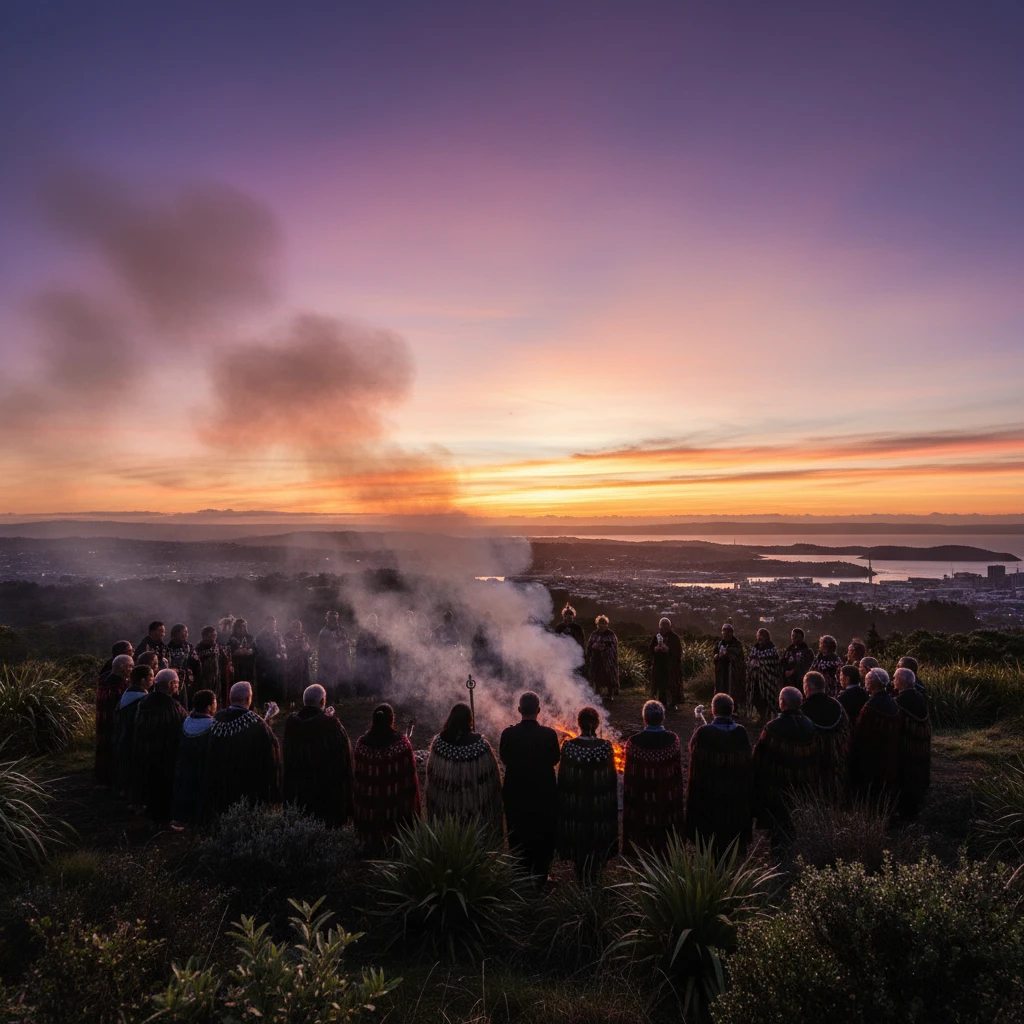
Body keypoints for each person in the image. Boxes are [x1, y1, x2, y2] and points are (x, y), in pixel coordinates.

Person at [499, 692, 561, 881]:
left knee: (518, 829)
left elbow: (504, 758)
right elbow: (555, 759)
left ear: (519, 710)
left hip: (516, 791)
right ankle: (541, 872)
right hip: (543, 792)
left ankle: (520, 870)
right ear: (539, 710)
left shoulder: (508, 734)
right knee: (542, 829)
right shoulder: (549, 734)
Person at [685, 693, 753, 856]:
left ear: (713, 710)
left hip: (709, 798)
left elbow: (690, 748)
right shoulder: (741, 733)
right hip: (734, 798)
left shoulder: (703, 733)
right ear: (732, 710)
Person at [556, 706, 618, 881]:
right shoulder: (605, 747)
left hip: (577, 810)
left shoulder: (569, 747)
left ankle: (581, 867)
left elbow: (564, 780)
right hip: (599, 810)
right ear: (597, 724)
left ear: (579, 724)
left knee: (581, 843)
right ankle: (596, 869)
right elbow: (611, 779)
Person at [203, 681, 281, 820]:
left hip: (220, 788)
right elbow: (271, 754)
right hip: (247, 789)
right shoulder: (256, 722)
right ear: (248, 699)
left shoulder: (217, 719)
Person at [425, 702, 503, 835]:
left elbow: (432, 776)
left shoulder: (439, 744)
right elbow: (492, 782)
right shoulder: (480, 747)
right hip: (473, 812)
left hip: (446, 810)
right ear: (469, 720)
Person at [352, 704, 421, 852]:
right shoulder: (402, 745)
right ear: (391, 720)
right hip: (395, 814)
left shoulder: (361, 744)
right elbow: (410, 780)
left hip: (369, 813)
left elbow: (358, 777)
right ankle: (394, 845)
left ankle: (370, 845)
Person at [283, 683, 353, 827]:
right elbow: (345, 761)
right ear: (322, 701)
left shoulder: (291, 727)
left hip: (298, 797)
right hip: (326, 801)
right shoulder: (332, 726)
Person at [622, 700, 684, 856]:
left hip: (642, 802)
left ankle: (642, 849)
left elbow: (630, 776)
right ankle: (666, 849)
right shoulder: (673, 741)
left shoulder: (633, 743)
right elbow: (676, 773)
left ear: (644, 718)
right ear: (662, 718)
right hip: (666, 802)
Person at [751, 686, 818, 831]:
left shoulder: (773, 728)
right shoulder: (809, 725)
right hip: (802, 785)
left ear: (782, 703)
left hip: (777, 787)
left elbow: (759, 757)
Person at [133, 668, 187, 822]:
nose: (178, 686)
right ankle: (163, 822)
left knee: (150, 786)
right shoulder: (172, 706)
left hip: (144, 752)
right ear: (170, 684)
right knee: (163, 788)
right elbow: (182, 726)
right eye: (176, 683)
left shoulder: (144, 702)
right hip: (164, 754)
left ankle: (153, 818)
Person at [848, 667, 901, 803]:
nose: (864, 683)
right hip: (889, 752)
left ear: (871, 683)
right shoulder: (892, 702)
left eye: (866, 680)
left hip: (872, 754)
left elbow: (861, 733)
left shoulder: (871, 706)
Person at [171, 688, 217, 829]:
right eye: (215, 703)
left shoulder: (187, 721)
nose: (217, 706)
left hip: (185, 768)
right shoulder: (212, 725)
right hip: (203, 770)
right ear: (209, 707)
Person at [801, 670, 851, 789]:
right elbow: (846, 733)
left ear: (808, 687)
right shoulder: (837, 706)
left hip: (813, 768)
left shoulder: (802, 711)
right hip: (836, 767)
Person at [894, 667, 931, 817]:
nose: (892, 681)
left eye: (895, 678)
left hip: (907, 746)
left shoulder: (900, 702)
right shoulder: (918, 696)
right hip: (920, 746)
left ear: (901, 682)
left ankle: (905, 810)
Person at [115, 664, 154, 801]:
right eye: (151, 677)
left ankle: (125, 791)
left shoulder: (128, 694)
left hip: (123, 737)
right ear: (143, 680)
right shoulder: (141, 700)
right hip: (133, 740)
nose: (153, 681)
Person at [96, 653, 133, 786]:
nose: (132, 669)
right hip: (115, 722)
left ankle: (102, 777)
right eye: (131, 666)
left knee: (103, 748)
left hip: (102, 720)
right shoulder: (121, 686)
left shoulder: (103, 682)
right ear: (124, 668)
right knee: (114, 750)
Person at [747, 628, 782, 725]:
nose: (760, 638)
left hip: (768, 679)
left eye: (763, 636)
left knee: (767, 697)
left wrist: (760, 662)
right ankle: (762, 715)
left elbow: (773, 661)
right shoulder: (755, 647)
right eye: (759, 636)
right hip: (756, 679)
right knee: (755, 697)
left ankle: (768, 716)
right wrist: (752, 662)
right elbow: (750, 658)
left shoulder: (771, 648)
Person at [649, 617, 683, 709]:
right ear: (659, 626)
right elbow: (651, 649)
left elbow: (678, 651)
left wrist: (668, 650)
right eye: (662, 624)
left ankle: (673, 703)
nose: (664, 626)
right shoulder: (656, 637)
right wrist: (655, 649)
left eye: (666, 624)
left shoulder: (674, 637)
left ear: (669, 626)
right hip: (659, 665)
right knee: (661, 685)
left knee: (672, 685)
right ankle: (662, 702)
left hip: (671, 666)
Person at [354, 614, 391, 697]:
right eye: (371, 621)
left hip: (377, 661)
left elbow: (385, 646)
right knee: (367, 678)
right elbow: (359, 647)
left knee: (378, 679)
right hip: (366, 661)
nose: (373, 623)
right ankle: (366, 694)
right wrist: (367, 649)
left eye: (374, 621)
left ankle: (378, 693)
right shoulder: (363, 633)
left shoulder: (380, 632)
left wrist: (378, 650)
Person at [195, 625, 232, 707]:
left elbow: (225, 659)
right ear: (204, 636)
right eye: (211, 636)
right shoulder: (199, 648)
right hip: (204, 678)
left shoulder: (217, 647)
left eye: (215, 636)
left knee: (217, 697)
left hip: (216, 677)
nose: (214, 638)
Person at [254, 615, 287, 704]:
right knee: (266, 684)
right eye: (270, 624)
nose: (273, 626)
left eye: (274, 624)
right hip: (265, 665)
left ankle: (278, 702)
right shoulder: (260, 636)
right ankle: (265, 704)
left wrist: (283, 653)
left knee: (277, 682)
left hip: (278, 664)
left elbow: (283, 645)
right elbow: (262, 651)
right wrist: (275, 656)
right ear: (266, 624)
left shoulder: (278, 634)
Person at [165, 624, 200, 708]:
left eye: (186, 632)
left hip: (188, 682)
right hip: (174, 682)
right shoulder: (167, 648)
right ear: (175, 634)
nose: (185, 634)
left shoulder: (189, 647)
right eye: (183, 632)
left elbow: (196, 664)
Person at [316, 611, 349, 700]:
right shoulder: (324, 632)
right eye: (330, 618)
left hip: (341, 659)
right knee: (329, 680)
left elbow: (346, 643)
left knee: (340, 678)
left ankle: (339, 697)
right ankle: (330, 698)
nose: (333, 620)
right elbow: (326, 648)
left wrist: (344, 654)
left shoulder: (342, 630)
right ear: (327, 619)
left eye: (335, 618)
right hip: (329, 660)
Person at [586, 616, 619, 702]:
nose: (601, 625)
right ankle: (597, 694)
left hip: (608, 660)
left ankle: (610, 694)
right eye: (599, 623)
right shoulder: (594, 634)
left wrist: (605, 647)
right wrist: (593, 647)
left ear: (606, 624)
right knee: (597, 676)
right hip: (596, 659)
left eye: (603, 623)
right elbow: (589, 646)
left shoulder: (611, 634)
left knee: (609, 676)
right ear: (597, 624)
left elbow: (614, 646)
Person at [713, 623, 746, 708]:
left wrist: (728, 652)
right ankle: (720, 706)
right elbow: (715, 653)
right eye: (724, 632)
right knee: (721, 689)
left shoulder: (737, 644)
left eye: (728, 632)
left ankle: (733, 708)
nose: (726, 634)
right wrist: (716, 656)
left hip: (732, 673)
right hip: (721, 671)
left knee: (732, 691)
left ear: (732, 633)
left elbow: (739, 657)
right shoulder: (719, 643)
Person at [284, 619, 312, 703]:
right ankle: (292, 700)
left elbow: (308, 649)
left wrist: (307, 648)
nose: (296, 629)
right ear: (290, 627)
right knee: (292, 682)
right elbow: (288, 647)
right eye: (294, 627)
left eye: (298, 627)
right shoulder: (287, 636)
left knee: (305, 680)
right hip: (292, 663)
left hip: (303, 662)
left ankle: (303, 699)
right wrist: (300, 645)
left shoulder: (304, 636)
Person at [471, 612, 504, 679]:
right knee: (479, 665)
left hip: (490, 650)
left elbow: (499, 638)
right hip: (482, 650)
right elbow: (476, 638)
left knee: (494, 666)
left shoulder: (494, 626)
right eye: (487, 617)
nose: (488, 619)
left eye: (488, 617)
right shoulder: (481, 626)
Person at [227, 618, 256, 688]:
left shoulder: (250, 638)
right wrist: (239, 652)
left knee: (249, 686)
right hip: (237, 666)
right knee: (238, 685)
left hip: (249, 666)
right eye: (239, 626)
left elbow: (255, 650)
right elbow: (230, 652)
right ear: (235, 627)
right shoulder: (231, 638)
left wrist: (250, 651)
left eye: (243, 626)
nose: (242, 628)